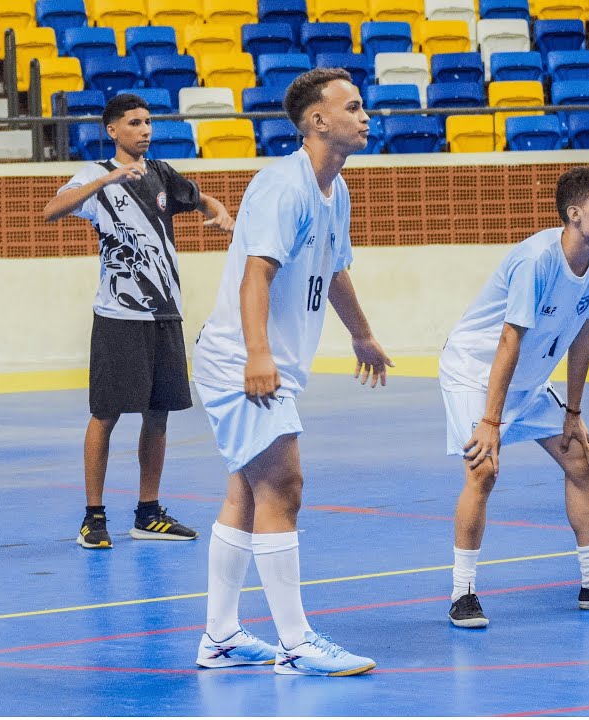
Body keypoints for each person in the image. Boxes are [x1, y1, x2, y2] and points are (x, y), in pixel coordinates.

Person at [189, 68, 392, 676]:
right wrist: (258, 354)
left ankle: (221, 637)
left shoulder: (336, 189)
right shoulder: (284, 186)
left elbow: (334, 269)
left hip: (259, 362)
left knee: (246, 491)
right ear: (317, 121)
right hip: (239, 360)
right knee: (284, 483)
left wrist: (361, 334)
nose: (364, 116)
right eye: (352, 107)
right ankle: (296, 642)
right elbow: (257, 274)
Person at [442, 167, 589, 629]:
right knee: (483, 470)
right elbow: (509, 340)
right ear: (575, 214)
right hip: (475, 373)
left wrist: (574, 413)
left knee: (582, 461)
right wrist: (491, 422)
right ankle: (463, 593)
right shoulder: (536, 260)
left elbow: (584, 335)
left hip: (529, 379)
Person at [43, 93, 235, 549]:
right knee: (105, 414)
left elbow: (200, 198)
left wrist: (219, 211)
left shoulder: (162, 173)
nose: (145, 129)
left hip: (165, 311)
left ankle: (148, 513)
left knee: (158, 413)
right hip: (119, 314)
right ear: (112, 130)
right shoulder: (95, 175)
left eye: (148, 121)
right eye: (134, 122)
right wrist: (107, 179)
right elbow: (52, 211)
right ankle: (93, 517)